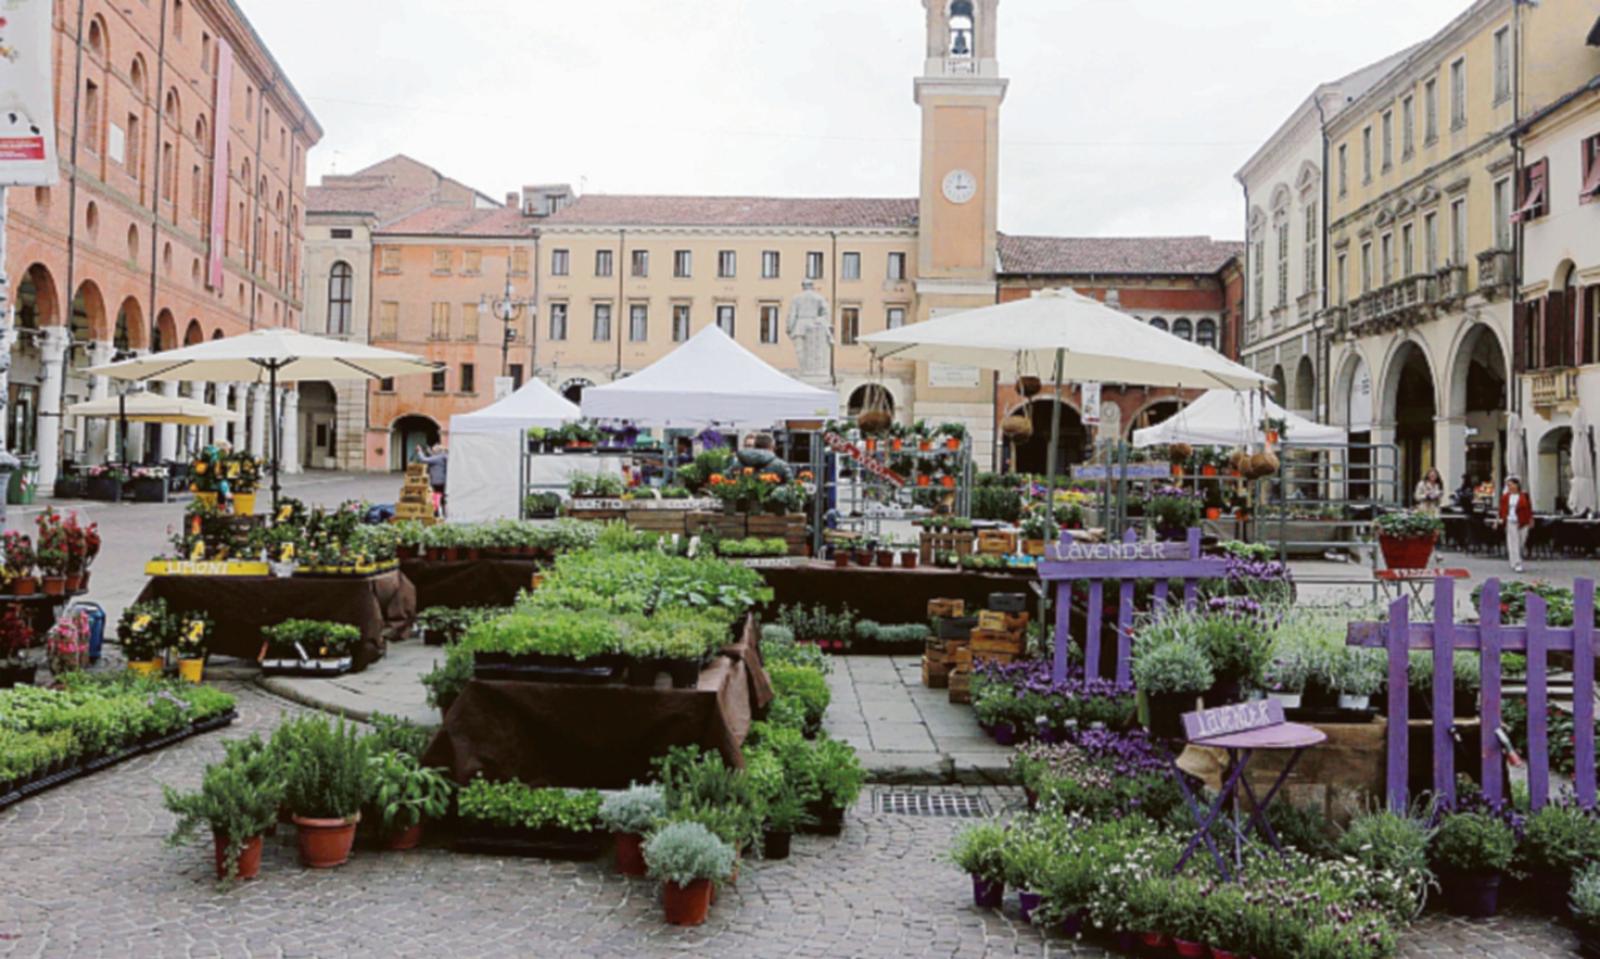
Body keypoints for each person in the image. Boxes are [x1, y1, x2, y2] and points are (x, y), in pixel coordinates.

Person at [1498, 475, 1534, 574]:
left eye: (1511, 485)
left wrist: (1530, 519)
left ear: (1517, 485)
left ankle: (1515, 560)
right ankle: (1517, 563)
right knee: (1513, 542)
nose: (1509, 487)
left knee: (1521, 541)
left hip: (1523, 520)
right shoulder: (1505, 497)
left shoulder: (1524, 496)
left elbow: (1529, 508)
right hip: (1511, 520)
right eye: (1508, 485)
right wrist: (1501, 518)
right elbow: (1502, 509)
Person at [414, 443, 448, 517]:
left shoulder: (437, 458)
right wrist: (428, 450)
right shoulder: (443, 456)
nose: (433, 452)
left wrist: (419, 451)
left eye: (434, 450)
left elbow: (424, 460)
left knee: (436, 497)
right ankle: (444, 513)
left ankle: (436, 514)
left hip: (437, 481)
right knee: (442, 497)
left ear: (437, 451)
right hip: (442, 480)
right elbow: (432, 456)